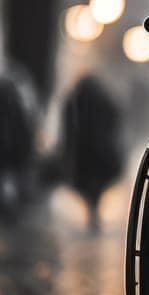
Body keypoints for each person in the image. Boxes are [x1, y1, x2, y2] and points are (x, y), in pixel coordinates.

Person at [60, 75, 123, 232]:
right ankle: (94, 211)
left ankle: (93, 212)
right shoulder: (104, 100)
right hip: (99, 149)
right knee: (96, 186)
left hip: (84, 151)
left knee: (87, 185)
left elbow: (67, 130)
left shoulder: (73, 102)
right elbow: (115, 120)